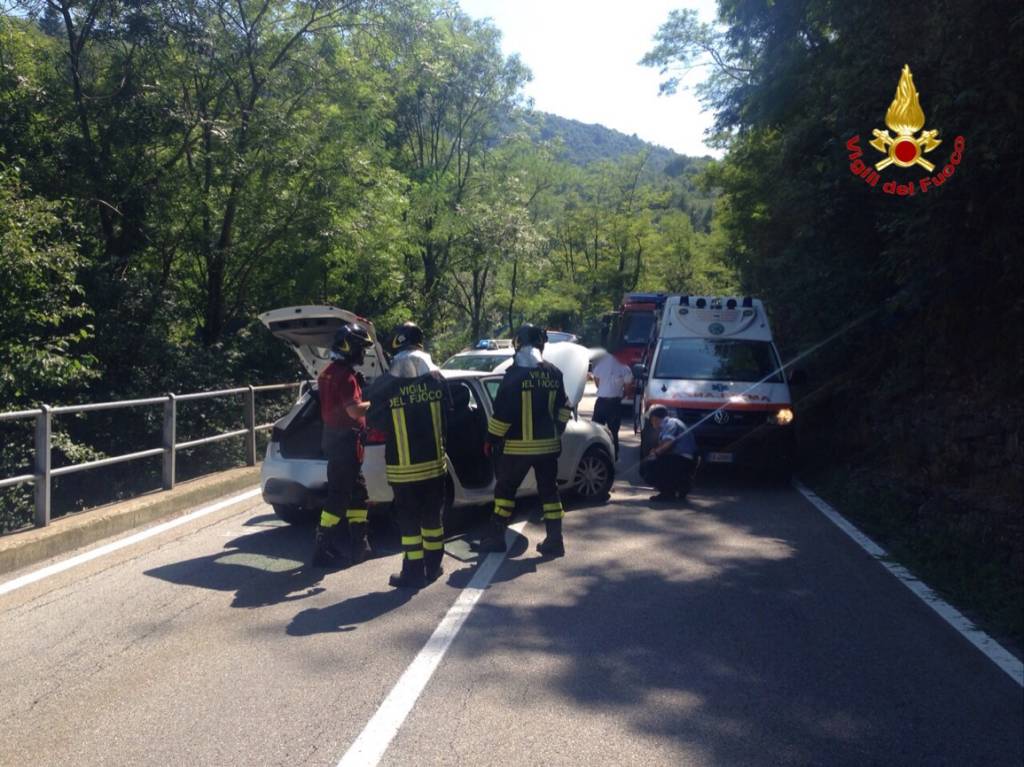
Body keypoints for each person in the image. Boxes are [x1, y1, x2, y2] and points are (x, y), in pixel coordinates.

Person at [366, 322, 451, 589]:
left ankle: (413, 573)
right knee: (432, 519)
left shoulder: (385, 386)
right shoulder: (437, 379)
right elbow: (450, 411)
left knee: (409, 524)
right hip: (435, 466)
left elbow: (374, 421)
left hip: (403, 470)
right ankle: (434, 566)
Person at [480, 324, 572, 557]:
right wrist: (557, 430)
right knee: (550, 493)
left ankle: (496, 539)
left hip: (517, 449)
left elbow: (502, 415)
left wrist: (491, 439)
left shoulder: (514, 375)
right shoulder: (554, 373)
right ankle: (555, 541)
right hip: (549, 448)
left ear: (518, 343)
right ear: (541, 344)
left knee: (505, 491)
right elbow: (565, 407)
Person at [313, 322, 374, 568]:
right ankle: (322, 549)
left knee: (358, 495)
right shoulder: (346, 377)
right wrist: (374, 401)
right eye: (361, 348)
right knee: (338, 497)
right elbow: (353, 410)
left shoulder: (327, 371)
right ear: (349, 347)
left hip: (335, 438)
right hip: (345, 441)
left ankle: (360, 545)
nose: (363, 353)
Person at [640, 405, 699, 503]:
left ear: (654, 418)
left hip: (682, 459)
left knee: (647, 465)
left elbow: (668, 443)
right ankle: (680, 486)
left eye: (651, 419)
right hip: (685, 459)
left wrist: (654, 453)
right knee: (656, 461)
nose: (651, 422)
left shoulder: (669, 424)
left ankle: (667, 493)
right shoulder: (672, 423)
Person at [590, 350, 633, 460]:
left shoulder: (601, 363)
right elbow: (628, 387)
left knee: (596, 431)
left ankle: (595, 455)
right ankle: (613, 456)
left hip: (600, 402)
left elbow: (596, 380)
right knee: (614, 432)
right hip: (614, 403)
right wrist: (622, 395)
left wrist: (603, 389)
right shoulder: (624, 367)